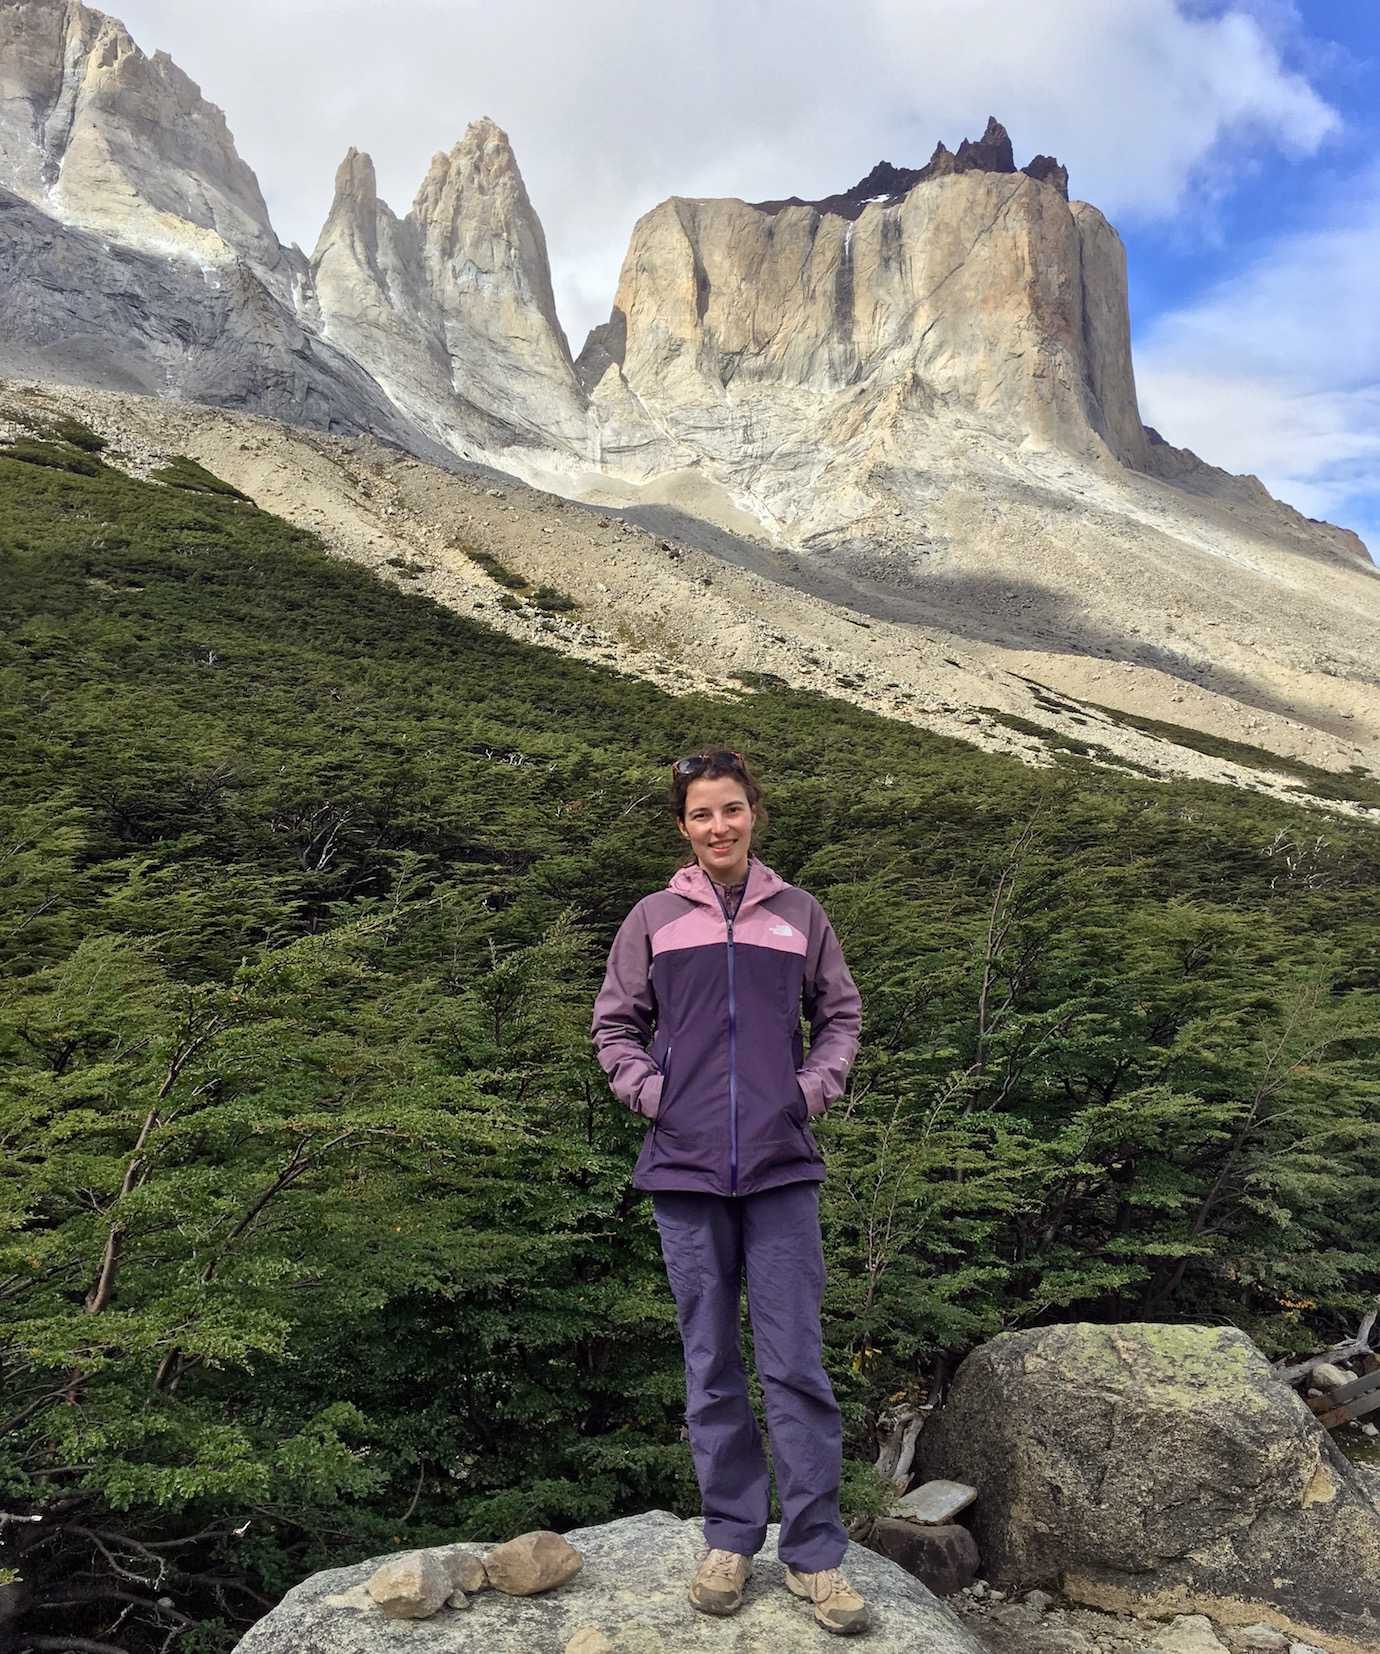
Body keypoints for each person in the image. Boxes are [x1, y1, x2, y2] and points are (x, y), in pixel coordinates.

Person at [590, 748, 869, 1636]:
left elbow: (841, 1016)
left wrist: (809, 1090)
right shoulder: (653, 918)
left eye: (734, 810)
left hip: (782, 1167)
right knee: (710, 1362)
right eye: (703, 814)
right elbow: (614, 1025)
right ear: (684, 826)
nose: (720, 826)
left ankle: (816, 1555)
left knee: (795, 1363)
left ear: (755, 815)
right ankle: (730, 1537)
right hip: (685, 1167)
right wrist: (654, 1094)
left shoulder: (799, 915)